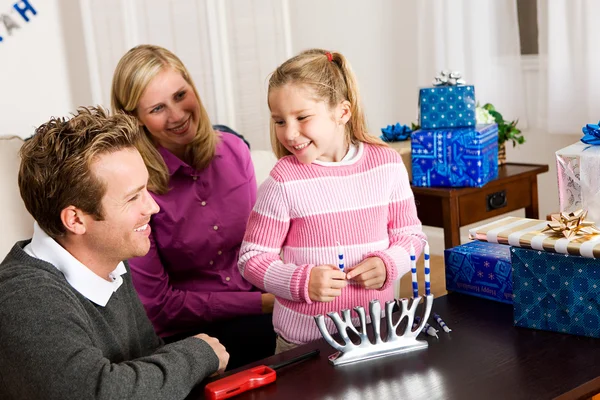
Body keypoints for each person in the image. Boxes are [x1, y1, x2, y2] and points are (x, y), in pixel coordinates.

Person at [0, 107, 229, 400]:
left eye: (145, 190)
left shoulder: (109, 263)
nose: (153, 208)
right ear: (76, 220)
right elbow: (99, 394)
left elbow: (151, 364)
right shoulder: (22, 298)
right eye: (133, 197)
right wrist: (198, 353)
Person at [238, 49, 428, 353]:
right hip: (304, 342)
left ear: (342, 112)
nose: (289, 132)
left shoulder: (387, 164)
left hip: (376, 331)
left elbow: (411, 236)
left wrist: (389, 263)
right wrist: (301, 281)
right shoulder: (283, 180)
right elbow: (251, 259)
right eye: (279, 121)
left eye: (302, 117)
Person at [111, 44, 275, 369]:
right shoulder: (136, 189)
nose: (177, 115)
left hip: (263, 308)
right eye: (157, 108)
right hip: (189, 332)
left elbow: (261, 249)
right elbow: (159, 305)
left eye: (180, 95)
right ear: (136, 119)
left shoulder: (235, 151)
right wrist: (262, 303)